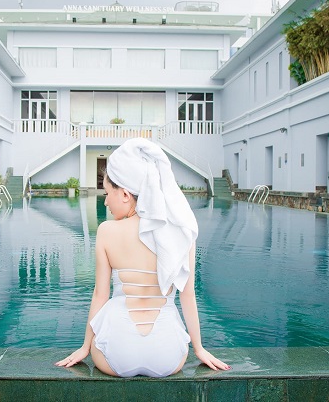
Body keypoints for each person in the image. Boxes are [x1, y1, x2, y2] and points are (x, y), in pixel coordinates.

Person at [56, 138, 229, 377]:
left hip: (116, 352)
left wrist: (85, 347)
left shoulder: (106, 231)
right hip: (167, 355)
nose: (105, 201)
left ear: (125, 194)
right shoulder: (181, 232)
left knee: (109, 316)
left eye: (107, 193)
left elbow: (100, 295)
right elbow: (188, 295)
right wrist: (199, 349)